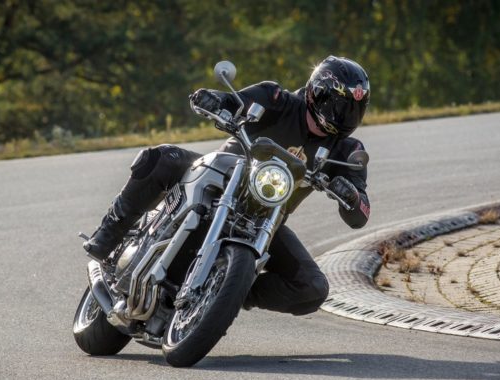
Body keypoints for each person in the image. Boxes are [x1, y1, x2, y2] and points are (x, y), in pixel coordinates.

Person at [83, 55, 371, 315]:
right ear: (318, 93)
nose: (345, 115)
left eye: (354, 108)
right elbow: (235, 101)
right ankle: (110, 230)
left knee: (312, 288)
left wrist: (351, 196)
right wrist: (212, 100)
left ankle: (224, 291)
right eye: (340, 105)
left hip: (264, 220)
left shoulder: (347, 151)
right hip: (219, 178)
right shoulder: (277, 99)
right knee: (161, 158)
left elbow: (360, 214)